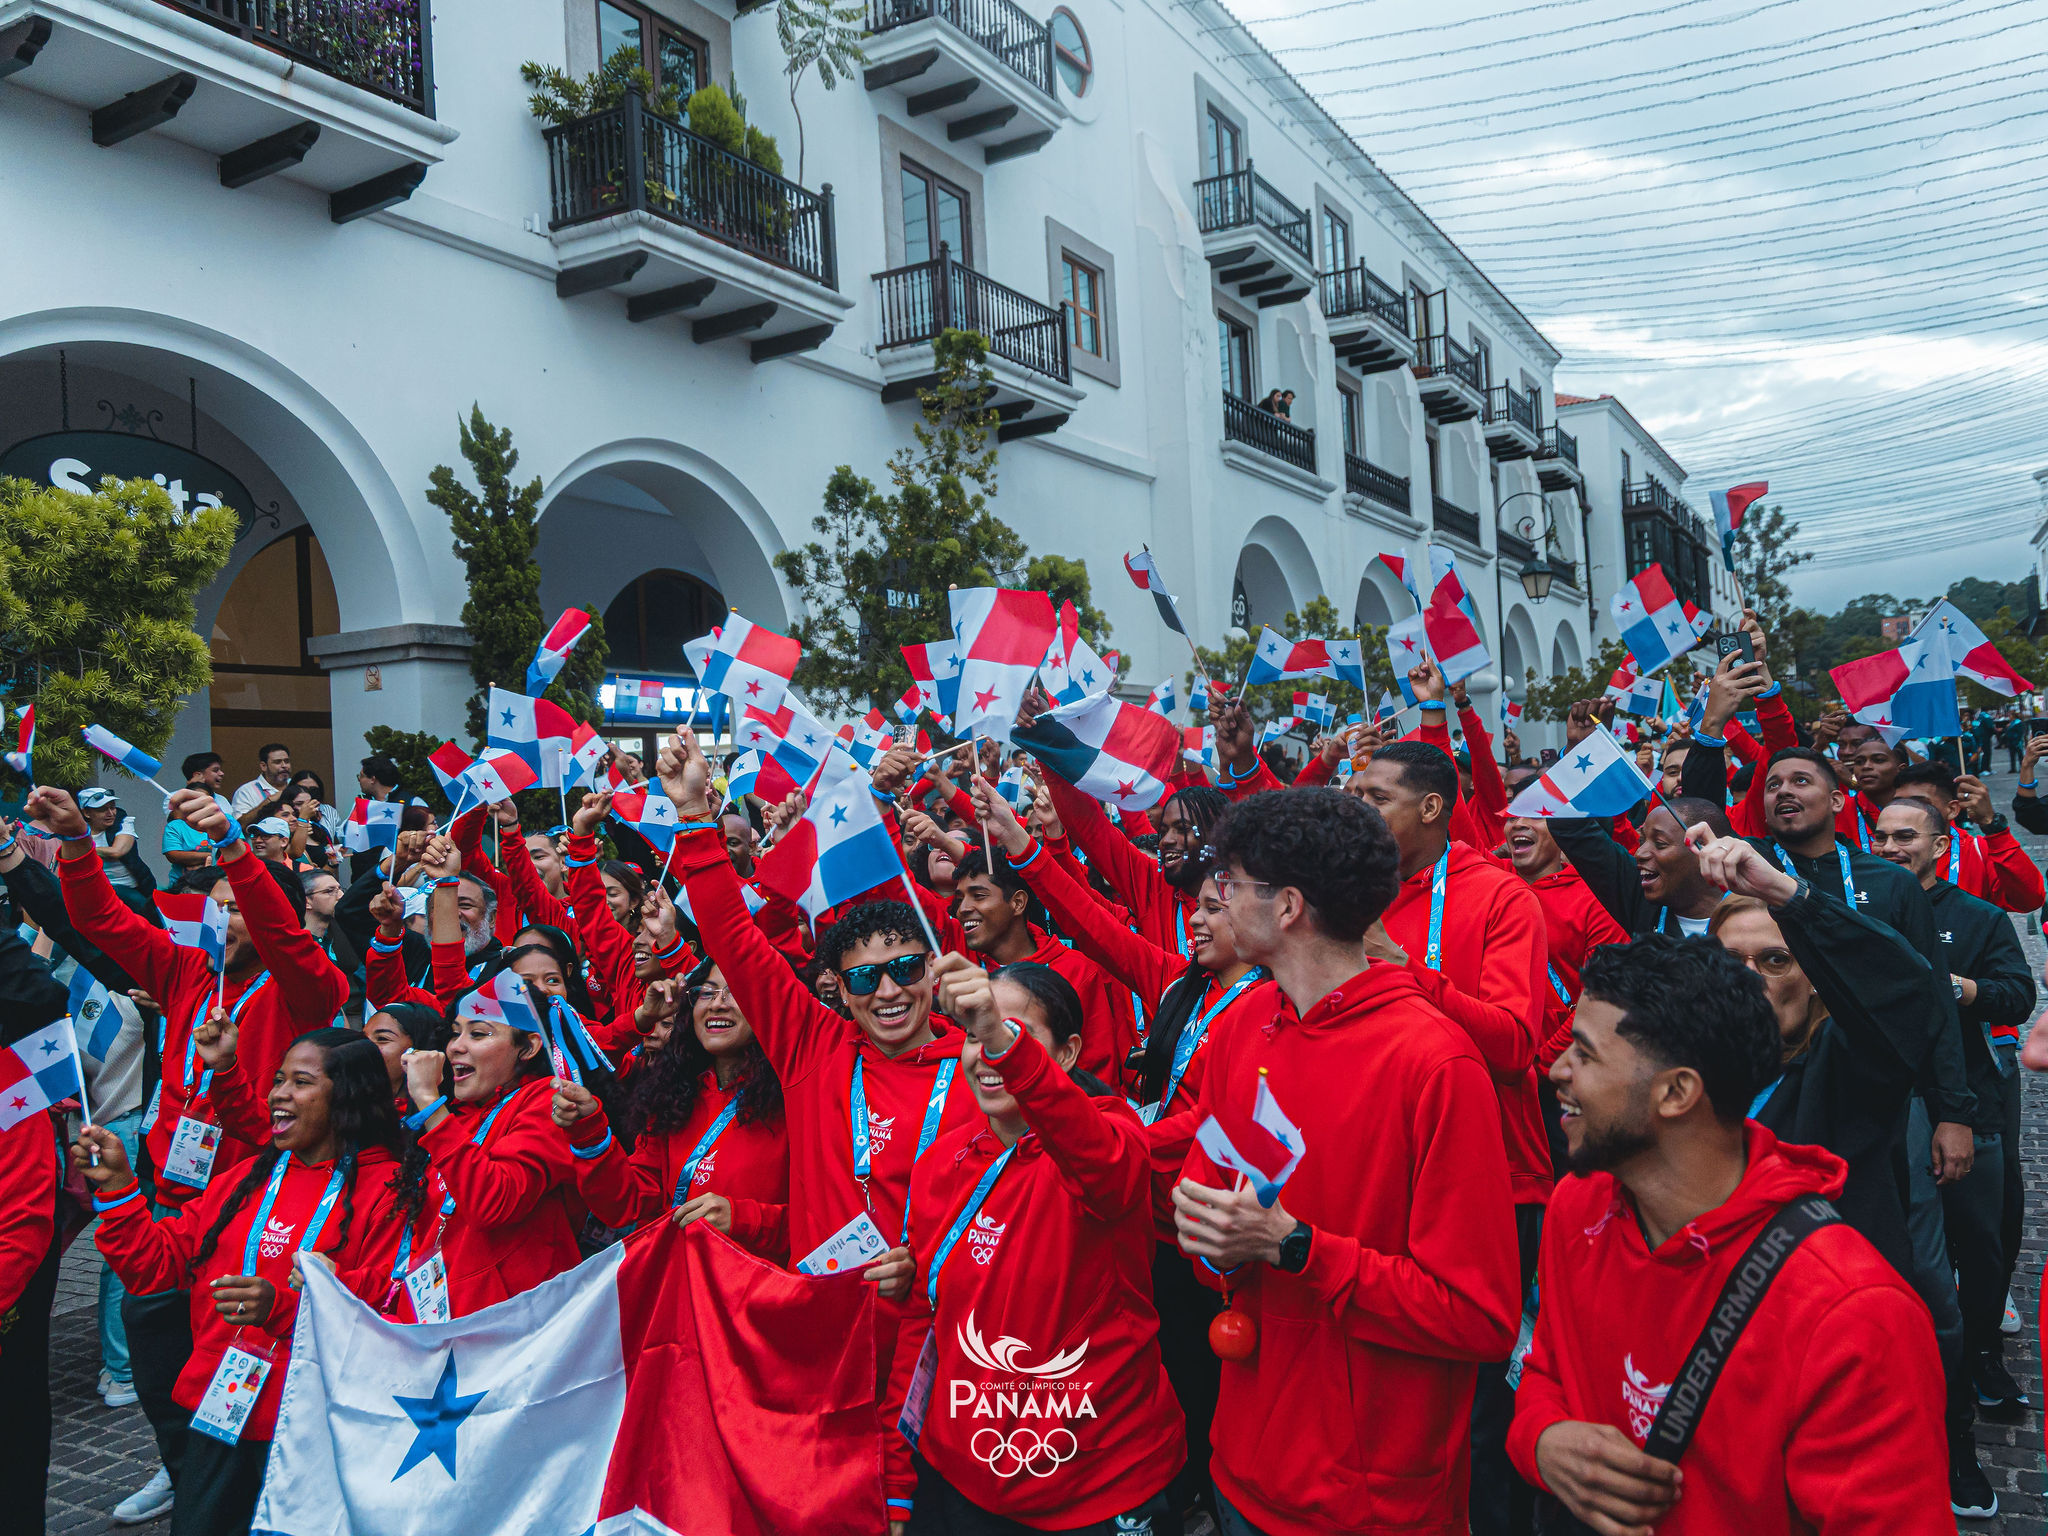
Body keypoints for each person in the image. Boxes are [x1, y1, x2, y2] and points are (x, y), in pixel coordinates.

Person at [1511, 934, 1950, 1535]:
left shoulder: (1853, 1316)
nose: (1556, 1070)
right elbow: (1547, 1370)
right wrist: (1542, 1438)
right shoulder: (1579, 1206)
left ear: (1676, 1093)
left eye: (1584, 1055)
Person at [1171, 787, 1519, 1535]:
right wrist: (1213, 1240)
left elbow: (1480, 1317)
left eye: (1232, 883)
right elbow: (1210, 1212)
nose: (1216, 899)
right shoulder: (1242, 1026)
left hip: (1371, 1503)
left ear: (1288, 906)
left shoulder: (1436, 1064)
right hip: (1242, 1466)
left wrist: (1297, 1248)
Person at [658, 725, 980, 1521]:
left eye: (905, 969)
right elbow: (734, 942)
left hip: (938, 1347)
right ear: (837, 986)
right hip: (820, 1345)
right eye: (865, 978)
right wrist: (695, 818)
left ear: (932, 968)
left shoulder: (982, 1066)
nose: (889, 992)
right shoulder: (814, 1046)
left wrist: (924, 1270)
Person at [885, 956, 1184, 1533]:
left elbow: (1103, 1166)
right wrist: (900, 1475)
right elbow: (923, 1324)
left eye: (1010, 1033)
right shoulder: (941, 1163)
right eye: (974, 1035)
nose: (987, 1054)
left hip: (1101, 1484)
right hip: (965, 1483)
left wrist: (1004, 1044)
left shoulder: (1110, 1136)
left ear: (1067, 1054)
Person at [71, 1027, 407, 1536]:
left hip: (317, 1423)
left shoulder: (391, 1189)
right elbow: (152, 1266)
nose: (279, 1094)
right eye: (278, 1080)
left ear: (348, 1095)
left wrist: (286, 1305)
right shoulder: (244, 1180)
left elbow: (395, 1308)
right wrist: (118, 1189)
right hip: (223, 1407)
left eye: (301, 1082)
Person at [1344, 739, 1546, 1535]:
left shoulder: (1501, 897)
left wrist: (1405, 971)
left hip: (1495, 1179)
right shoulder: (1352, 895)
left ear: (1431, 808)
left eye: (1376, 798)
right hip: (1384, 1173)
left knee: (1483, 1409)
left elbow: (1515, 1045)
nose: (1358, 809)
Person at [1870, 797, 2037, 1440]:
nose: (1889, 848)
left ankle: (1982, 1356)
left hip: (1969, 1105)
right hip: (1886, 1107)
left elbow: (2017, 996)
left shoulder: (1978, 917)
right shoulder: (1856, 910)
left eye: (1904, 837)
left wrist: (1963, 990)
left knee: (1980, 1242)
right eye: (1880, 836)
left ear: (1940, 846)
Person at [550, 960, 789, 1263]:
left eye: (736, 992)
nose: (717, 1004)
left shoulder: (795, 1099)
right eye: (707, 992)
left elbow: (824, 1222)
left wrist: (744, 1220)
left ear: (772, 1003)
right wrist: (589, 1131)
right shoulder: (674, 1093)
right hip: (676, 1282)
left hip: (756, 1286)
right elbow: (626, 1204)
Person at [390, 966, 583, 1318]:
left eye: (478, 1034)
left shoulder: (548, 1102)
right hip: (440, 1326)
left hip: (510, 1329)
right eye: (455, 1034)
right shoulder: (459, 1118)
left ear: (528, 1047)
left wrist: (430, 1103)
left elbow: (492, 1203)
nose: (455, 1047)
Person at [950, 847, 1135, 1083]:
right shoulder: (962, 973)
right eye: (960, 899)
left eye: (978, 896)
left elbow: (1097, 1077)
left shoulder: (1077, 971)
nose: (963, 909)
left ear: (1017, 903)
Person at [1889, 761, 2045, 912]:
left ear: (1952, 809)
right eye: (1899, 803)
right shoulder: (1883, 851)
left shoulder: (1977, 851)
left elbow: (2030, 900)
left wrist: (1992, 825)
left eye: (1919, 803)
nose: (1905, 811)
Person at [164, 753, 231, 873]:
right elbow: (176, 821)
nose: (221, 773)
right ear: (197, 775)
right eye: (215, 770)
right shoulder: (174, 797)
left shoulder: (222, 800)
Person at [81, 787, 146, 890]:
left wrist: (83, 851)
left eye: (112, 807)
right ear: (86, 813)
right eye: (102, 809)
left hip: (127, 887)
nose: (110, 813)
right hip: (94, 888)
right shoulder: (78, 833)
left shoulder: (123, 823)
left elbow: (117, 851)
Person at [229, 744, 294, 820]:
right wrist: (268, 802)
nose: (284, 765)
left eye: (287, 761)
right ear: (264, 766)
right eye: (277, 762)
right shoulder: (246, 792)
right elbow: (240, 824)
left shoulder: (296, 785)